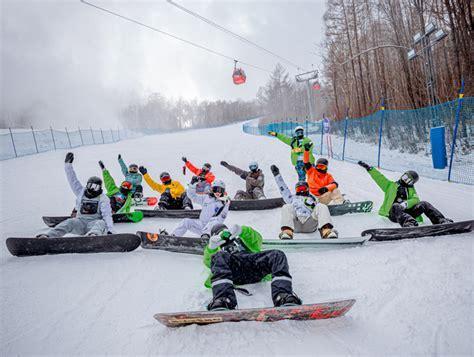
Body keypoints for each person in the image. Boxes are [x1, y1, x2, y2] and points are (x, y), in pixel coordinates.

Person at [204, 223, 302, 311]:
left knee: (277, 254)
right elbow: (208, 262)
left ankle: (282, 295)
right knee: (219, 256)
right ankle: (223, 300)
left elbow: (257, 239)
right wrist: (211, 248)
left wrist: (242, 230)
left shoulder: (241, 239)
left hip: (252, 265)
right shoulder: (216, 250)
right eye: (219, 234)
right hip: (233, 273)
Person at [37, 153, 114, 238]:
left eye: (95, 187)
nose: (92, 189)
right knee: (69, 222)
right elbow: (73, 180)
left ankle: (93, 236)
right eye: (90, 186)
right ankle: (48, 236)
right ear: (87, 185)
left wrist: (110, 230)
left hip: (93, 224)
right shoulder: (81, 192)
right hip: (80, 223)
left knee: (101, 222)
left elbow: (107, 215)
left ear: (99, 188)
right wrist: (68, 165)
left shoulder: (103, 198)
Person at [358, 161, 453, 227]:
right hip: (393, 215)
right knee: (395, 205)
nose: (404, 180)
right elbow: (379, 178)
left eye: (408, 180)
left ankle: (440, 220)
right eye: (404, 177)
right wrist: (370, 169)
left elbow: (416, 200)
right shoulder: (390, 186)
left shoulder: (411, 190)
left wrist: (406, 204)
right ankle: (409, 223)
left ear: (411, 183)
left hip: (407, 213)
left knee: (424, 204)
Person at [271, 164, 338, 239]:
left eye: (303, 188)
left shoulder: (313, 198)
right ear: (296, 190)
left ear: (307, 189)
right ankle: (287, 232)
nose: (302, 190)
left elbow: (323, 200)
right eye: (299, 188)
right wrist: (277, 175)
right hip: (296, 223)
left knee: (321, 206)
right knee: (287, 206)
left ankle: (327, 231)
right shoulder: (292, 198)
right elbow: (283, 188)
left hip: (310, 223)